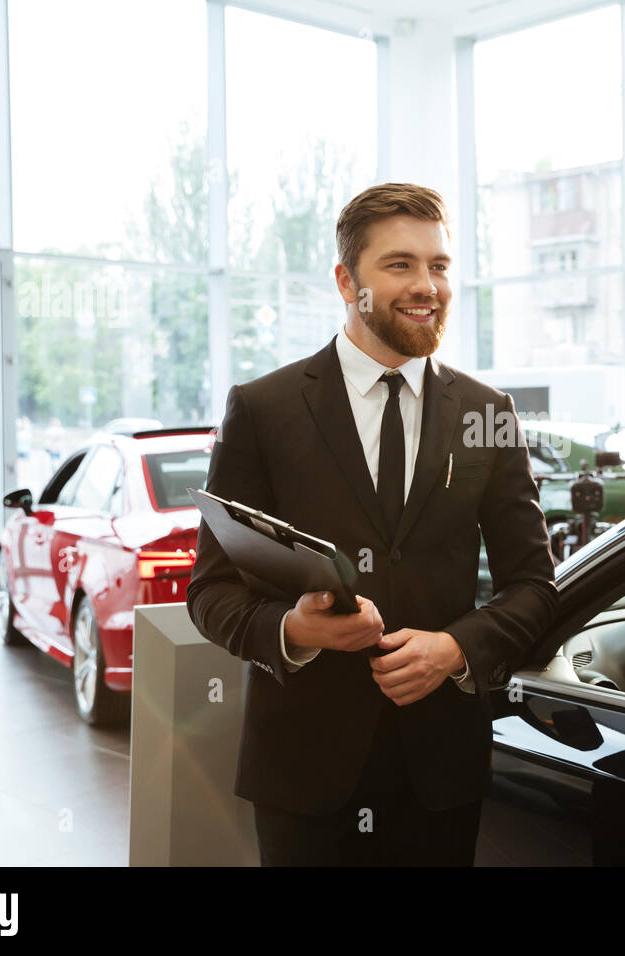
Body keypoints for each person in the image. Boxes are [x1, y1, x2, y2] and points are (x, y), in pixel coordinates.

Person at [185, 183, 558, 866]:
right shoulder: (265, 410)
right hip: (304, 774)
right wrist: (292, 630)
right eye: (400, 265)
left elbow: (534, 585)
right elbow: (209, 592)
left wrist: (455, 648)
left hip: (441, 774)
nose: (427, 286)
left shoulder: (487, 412)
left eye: (439, 266)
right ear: (346, 280)